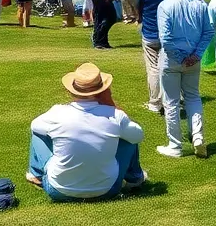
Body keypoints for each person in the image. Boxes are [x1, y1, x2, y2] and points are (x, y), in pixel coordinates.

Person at [27, 63, 147, 201]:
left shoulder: (57, 113)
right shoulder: (114, 115)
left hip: (58, 190)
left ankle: (36, 175)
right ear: (102, 90)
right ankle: (135, 179)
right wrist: (111, 104)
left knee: (38, 133)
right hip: (107, 190)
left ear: (71, 90)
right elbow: (138, 136)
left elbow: (34, 125)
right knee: (128, 138)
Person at [155, 0, 213, 158]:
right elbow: (208, 32)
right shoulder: (200, 3)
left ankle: (175, 145)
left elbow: (166, 38)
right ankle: (198, 136)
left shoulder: (166, 5)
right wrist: (196, 55)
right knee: (193, 97)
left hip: (172, 59)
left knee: (171, 102)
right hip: (192, 58)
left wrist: (182, 57)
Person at [135, 0, 172, 113]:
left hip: (150, 33)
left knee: (153, 69)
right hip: (168, 34)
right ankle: (171, 99)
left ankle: (155, 102)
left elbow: (138, 8)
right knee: (169, 68)